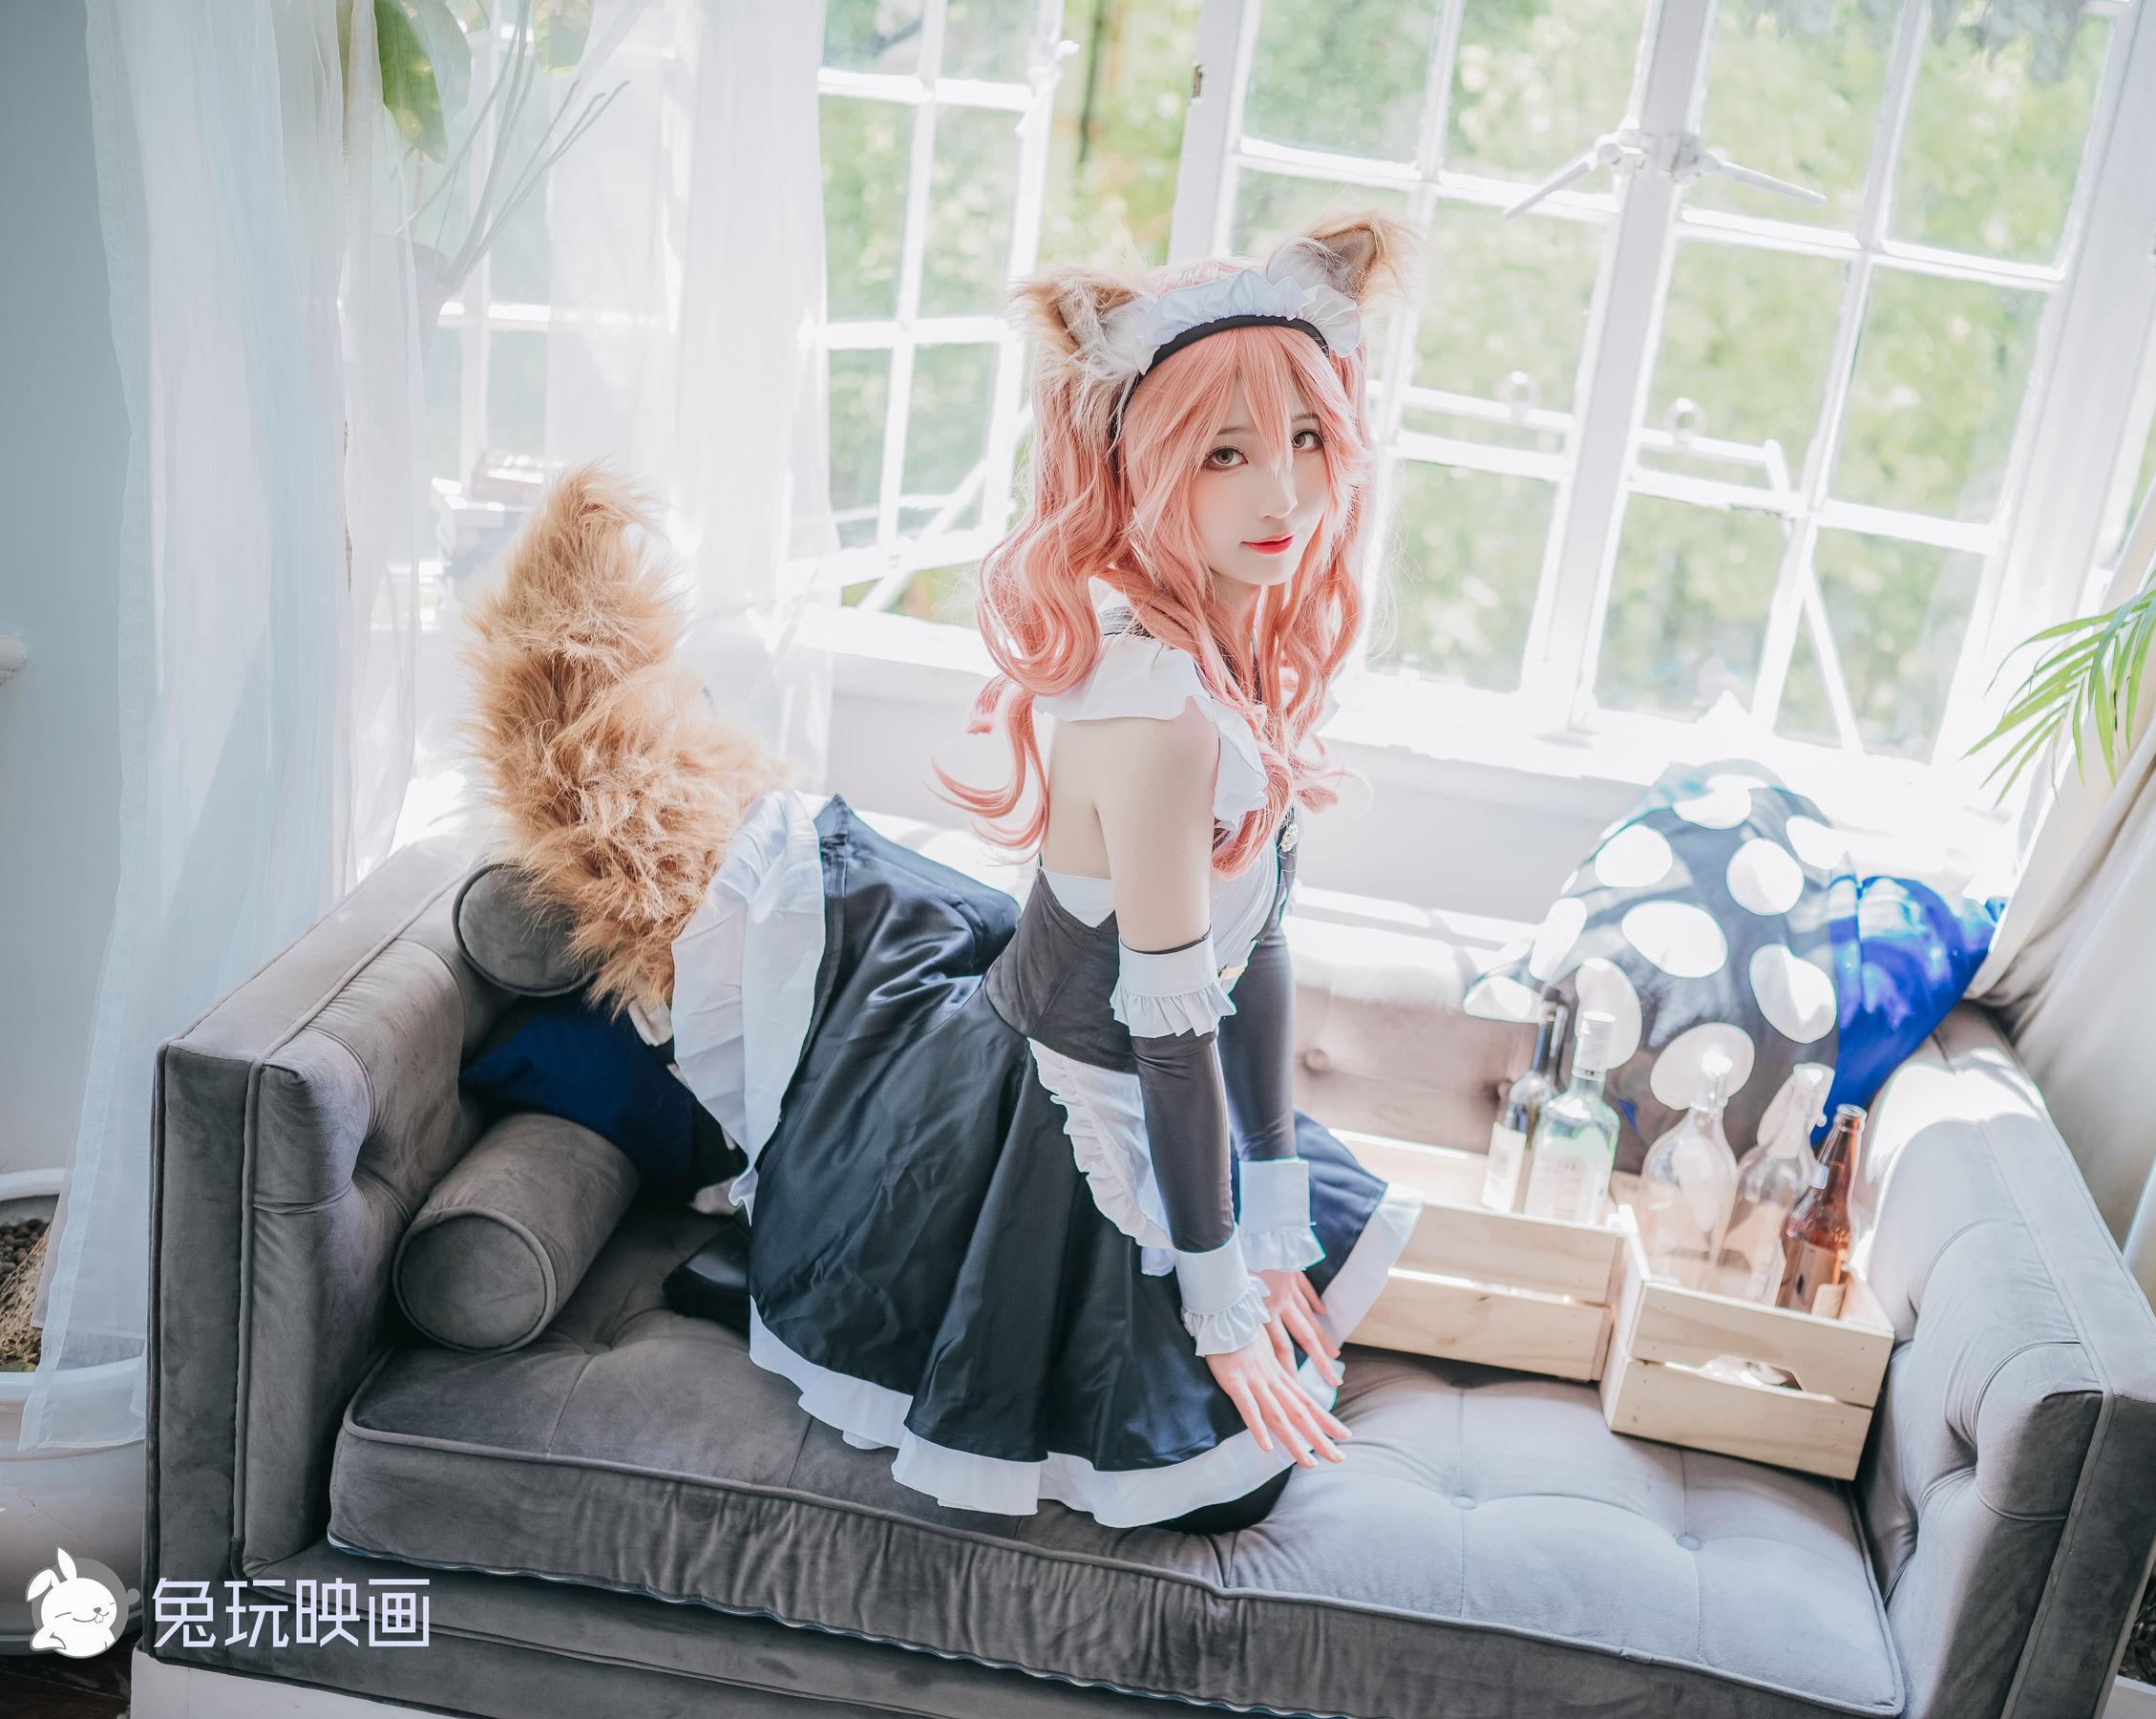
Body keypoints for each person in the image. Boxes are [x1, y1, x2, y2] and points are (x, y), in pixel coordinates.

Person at [454, 206, 1429, 1535]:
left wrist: (1270, 1211)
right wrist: (1218, 1305)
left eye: (1308, 439)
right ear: (1147, 470)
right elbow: (1169, 1037)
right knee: (1223, 1483)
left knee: (1284, 1346)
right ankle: (792, 1249)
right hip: (1050, 1106)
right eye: (1225, 452)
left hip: (1130, 1079)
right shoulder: (1156, 715)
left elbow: (1255, 950)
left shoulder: (1235, 670)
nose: (1283, 494)